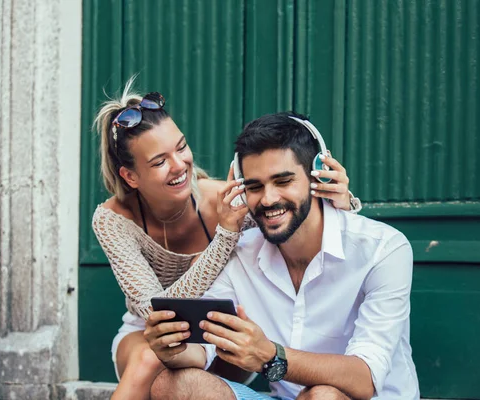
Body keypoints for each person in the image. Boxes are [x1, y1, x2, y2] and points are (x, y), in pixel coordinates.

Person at [91, 79, 361, 400]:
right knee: (149, 359)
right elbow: (154, 312)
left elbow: (299, 224)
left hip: (216, 333)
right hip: (149, 333)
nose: (180, 166)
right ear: (130, 176)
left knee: (184, 378)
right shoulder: (112, 218)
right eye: (160, 161)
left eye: (181, 147)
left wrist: (342, 204)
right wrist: (224, 236)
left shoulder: (227, 200)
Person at [144, 112, 419, 400]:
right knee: (174, 384)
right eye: (254, 186)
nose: (268, 199)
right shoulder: (241, 253)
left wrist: (272, 356)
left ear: (318, 175)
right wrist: (173, 350)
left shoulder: (383, 249)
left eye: (283, 181)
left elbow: (365, 379)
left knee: (323, 396)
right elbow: (204, 349)